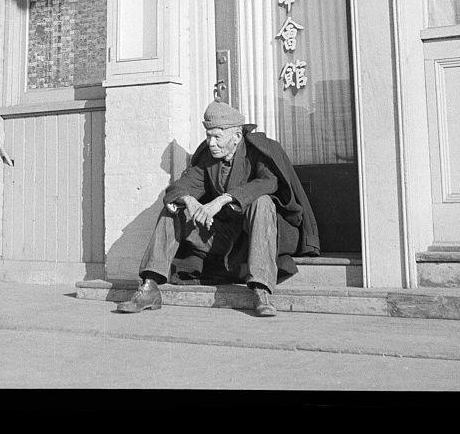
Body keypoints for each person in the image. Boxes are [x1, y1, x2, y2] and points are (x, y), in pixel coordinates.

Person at [116, 99, 320, 318]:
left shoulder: (258, 151)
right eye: (208, 136)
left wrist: (223, 199)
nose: (211, 143)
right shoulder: (208, 158)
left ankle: (261, 291)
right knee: (173, 209)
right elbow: (179, 187)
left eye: (217, 137)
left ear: (236, 136)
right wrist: (189, 200)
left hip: (252, 240)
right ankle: (150, 286)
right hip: (219, 238)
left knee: (263, 202)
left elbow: (268, 182)